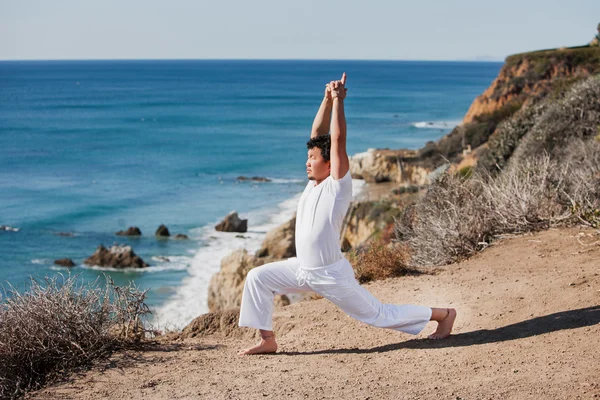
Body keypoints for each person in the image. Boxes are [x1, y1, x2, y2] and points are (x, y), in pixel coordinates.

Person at [237, 73, 456, 355]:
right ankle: (267, 340)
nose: (307, 162)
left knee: (378, 314)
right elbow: (318, 134)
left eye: (313, 159)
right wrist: (326, 99)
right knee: (257, 277)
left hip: (330, 274)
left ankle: (443, 314)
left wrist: (339, 101)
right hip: (303, 269)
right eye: (308, 157)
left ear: (330, 164)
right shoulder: (313, 184)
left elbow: (337, 139)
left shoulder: (337, 187)